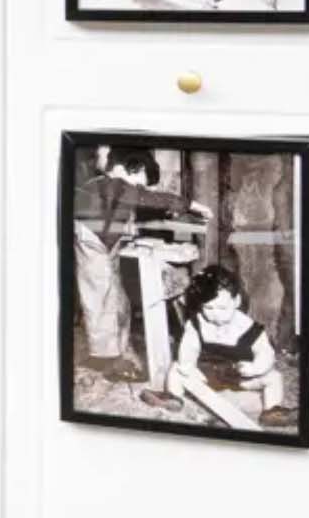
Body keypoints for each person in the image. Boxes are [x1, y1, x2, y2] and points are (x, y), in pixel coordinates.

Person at [72, 145, 209, 382]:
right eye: (142, 182)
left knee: (118, 300)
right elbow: (150, 198)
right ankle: (109, 359)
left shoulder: (108, 187)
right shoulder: (113, 184)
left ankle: (116, 352)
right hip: (92, 247)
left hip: (103, 245)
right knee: (102, 300)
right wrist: (193, 206)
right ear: (134, 169)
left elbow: (118, 215)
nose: (141, 189)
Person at [157, 266, 297, 428]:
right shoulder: (196, 324)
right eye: (208, 308)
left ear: (236, 301)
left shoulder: (249, 328)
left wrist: (255, 368)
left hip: (239, 378)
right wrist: (187, 365)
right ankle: (174, 398)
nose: (215, 314)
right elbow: (189, 347)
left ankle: (272, 411)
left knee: (274, 377)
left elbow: (266, 353)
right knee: (176, 368)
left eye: (222, 308)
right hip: (206, 375)